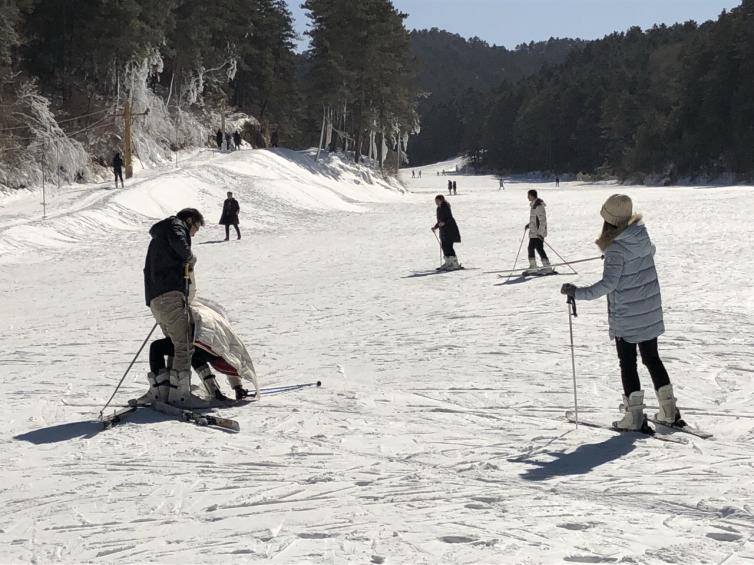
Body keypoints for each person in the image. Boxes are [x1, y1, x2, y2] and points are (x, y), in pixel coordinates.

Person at [561, 194, 686, 432]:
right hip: (648, 313)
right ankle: (669, 412)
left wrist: (577, 292)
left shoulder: (616, 248)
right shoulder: (641, 236)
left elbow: (607, 285)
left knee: (627, 363)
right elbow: (651, 250)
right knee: (652, 358)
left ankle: (635, 416)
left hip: (627, 316)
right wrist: (614, 257)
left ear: (610, 221)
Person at [143, 208, 206, 407]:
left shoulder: (162, 235)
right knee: (184, 345)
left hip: (156, 299)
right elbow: (180, 242)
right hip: (169, 296)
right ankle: (180, 395)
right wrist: (190, 258)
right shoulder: (175, 226)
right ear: (189, 221)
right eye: (195, 228)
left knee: (174, 343)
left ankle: (167, 389)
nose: (194, 234)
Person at [524, 189, 552, 274]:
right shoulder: (534, 205)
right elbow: (535, 219)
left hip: (537, 233)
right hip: (534, 232)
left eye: (528, 195)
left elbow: (542, 220)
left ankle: (539, 267)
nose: (527, 197)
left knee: (535, 248)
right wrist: (529, 225)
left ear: (532, 196)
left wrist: (540, 233)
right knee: (536, 248)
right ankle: (543, 266)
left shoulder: (538, 206)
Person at [431, 194, 462, 271]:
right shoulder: (439, 208)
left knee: (448, 246)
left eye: (437, 201)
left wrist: (444, 222)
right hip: (443, 231)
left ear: (441, 200)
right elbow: (439, 221)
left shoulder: (445, 207)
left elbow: (450, 218)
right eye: (435, 201)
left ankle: (454, 263)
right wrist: (435, 227)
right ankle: (448, 262)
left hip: (450, 229)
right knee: (444, 246)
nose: (436, 202)